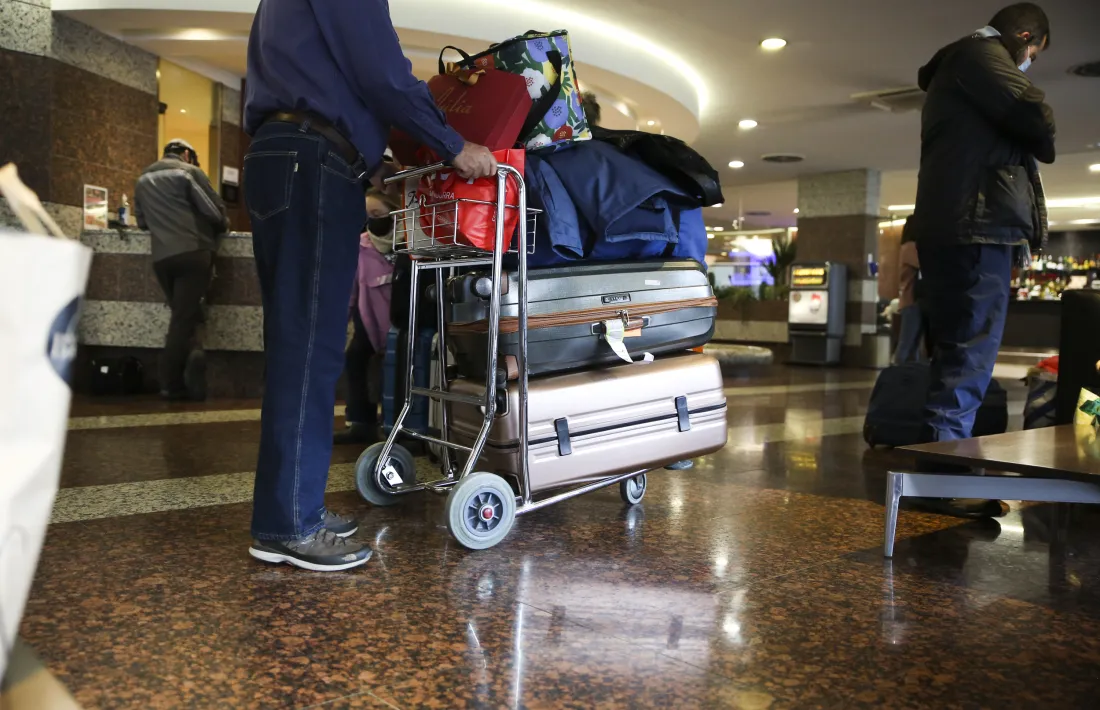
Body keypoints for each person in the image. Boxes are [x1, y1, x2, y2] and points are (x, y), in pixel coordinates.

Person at [242, 0, 498, 571]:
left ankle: (287, 508)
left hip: (288, 156)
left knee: (297, 343)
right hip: (310, 164)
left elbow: (336, 77)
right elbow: (381, 72)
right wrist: (455, 145)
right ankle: (290, 523)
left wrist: (370, 166)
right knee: (310, 346)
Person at [906, 2, 1055, 519]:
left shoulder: (957, 68)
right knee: (970, 352)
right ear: (1023, 34)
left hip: (954, 226)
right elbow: (1037, 113)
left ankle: (939, 472)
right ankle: (943, 483)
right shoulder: (981, 54)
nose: (1030, 59)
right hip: (977, 226)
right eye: (1033, 50)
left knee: (955, 351)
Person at [134, 139, 228, 402]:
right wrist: (222, 224)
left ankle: (193, 354)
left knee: (183, 313)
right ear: (187, 154)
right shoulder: (188, 172)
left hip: (162, 258)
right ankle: (172, 383)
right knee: (183, 319)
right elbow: (213, 211)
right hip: (193, 252)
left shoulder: (142, 179)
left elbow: (141, 222)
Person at [334, 190, 397, 446]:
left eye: (378, 214)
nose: (373, 221)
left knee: (396, 370)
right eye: (368, 216)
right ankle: (360, 423)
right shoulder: (360, 246)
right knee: (355, 359)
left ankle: (395, 422)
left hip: (401, 323)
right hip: (370, 321)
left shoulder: (410, 243)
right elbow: (349, 291)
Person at [892, 224, 925, 365]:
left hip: (914, 301)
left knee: (913, 346)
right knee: (906, 344)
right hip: (911, 301)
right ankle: (896, 375)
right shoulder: (909, 247)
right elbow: (923, 263)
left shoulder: (908, 247)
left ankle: (909, 377)